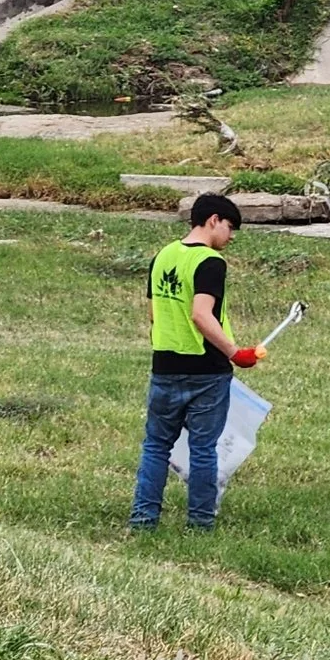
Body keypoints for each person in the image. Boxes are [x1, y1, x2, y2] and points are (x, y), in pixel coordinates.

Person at [130, 193, 267, 532]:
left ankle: (143, 519)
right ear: (213, 221)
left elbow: (153, 312)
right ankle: (200, 522)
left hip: (164, 365)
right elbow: (201, 315)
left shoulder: (163, 255)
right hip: (206, 371)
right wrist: (235, 352)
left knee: (156, 445)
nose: (231, 237)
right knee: (204, 448)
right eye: (230, 227)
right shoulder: (210, 262)